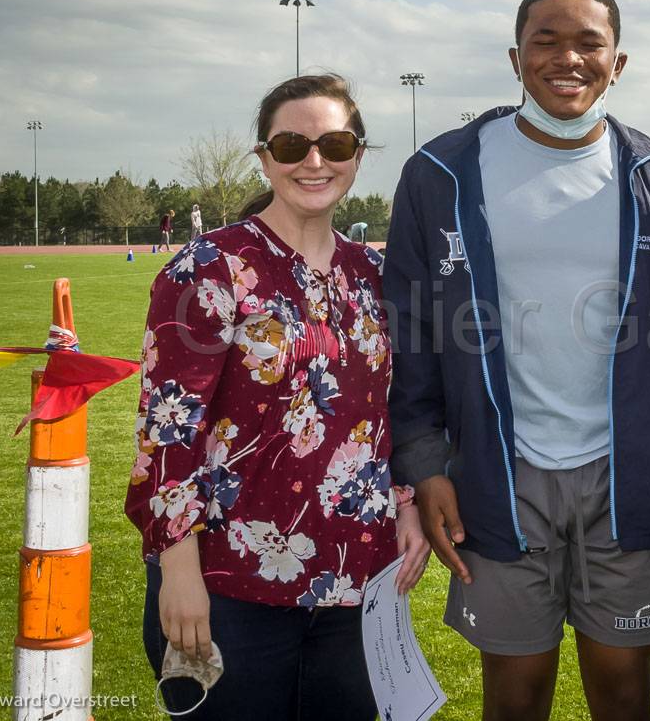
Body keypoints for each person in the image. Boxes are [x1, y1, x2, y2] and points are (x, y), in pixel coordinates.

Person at [384, 0, 650, 721]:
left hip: (630, 479)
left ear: (617, 63)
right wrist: (425, 464)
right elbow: (412, 336)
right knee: (515, 696)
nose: (568, 59)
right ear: (515, 56)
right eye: (546, 42)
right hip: (498, 477)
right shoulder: (441, 173)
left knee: (625, 697)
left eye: (589, 43)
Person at [126, 74, 429, 720]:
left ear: (359, 154)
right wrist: (177, 569)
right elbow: (167, 428)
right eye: (291, 145)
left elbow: (384, 414)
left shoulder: (374, 273)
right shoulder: (210, 267)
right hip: (229, 585)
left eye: (335, 143)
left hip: (353, 584)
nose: (314, 161)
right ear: (264, 158)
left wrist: (405, 502)